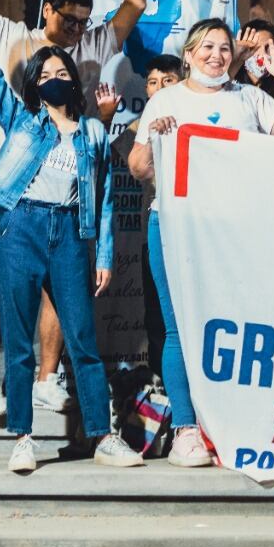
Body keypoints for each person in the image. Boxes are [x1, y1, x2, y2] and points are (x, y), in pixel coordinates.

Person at [0, 0, 149, 421]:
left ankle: (49, 379)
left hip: (70, 186)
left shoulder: (91, 46)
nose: (76, 29)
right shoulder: (11, 35)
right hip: (14, 186)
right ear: (47, 10)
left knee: (58, 282)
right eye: (68, 19)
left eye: (83, 21)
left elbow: (134, 5)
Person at [127, 20, 274, 467]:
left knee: (233, 324)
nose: (216, 55)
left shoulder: (247, 97)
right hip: (174, 225)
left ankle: (228, 424)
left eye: (225, 48)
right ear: (188, 54)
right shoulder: (165, 100)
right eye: (206, 47)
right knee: (179, 328)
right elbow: (138, 168)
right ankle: (186, 429)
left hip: (234, 231)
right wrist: (153, 139)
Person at [109, 53, 183, 380]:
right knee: (156, 316)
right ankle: (160, 393)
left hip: (194, 234)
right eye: (153, 82)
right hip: (152, 232)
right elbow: (139, 171)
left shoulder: (196, 119)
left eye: (168, 81)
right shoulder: (137, 131)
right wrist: (153, 138)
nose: (159, 88)